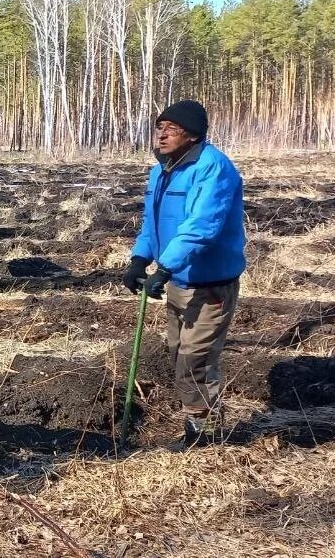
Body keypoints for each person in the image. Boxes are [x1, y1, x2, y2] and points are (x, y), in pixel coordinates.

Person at [122, 99, 246, 449]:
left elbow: (201, 226)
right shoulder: (161, 169)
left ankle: (202, 436)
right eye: (159, 128)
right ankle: (196, 419)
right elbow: (153, 221)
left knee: (195, 361)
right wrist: (139, 259)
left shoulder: (213, 168)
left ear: (192, 136)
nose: (161, 136)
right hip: (178, 279)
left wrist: (165, 266)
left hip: (209, 285)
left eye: (170, 130)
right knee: (178, 354)